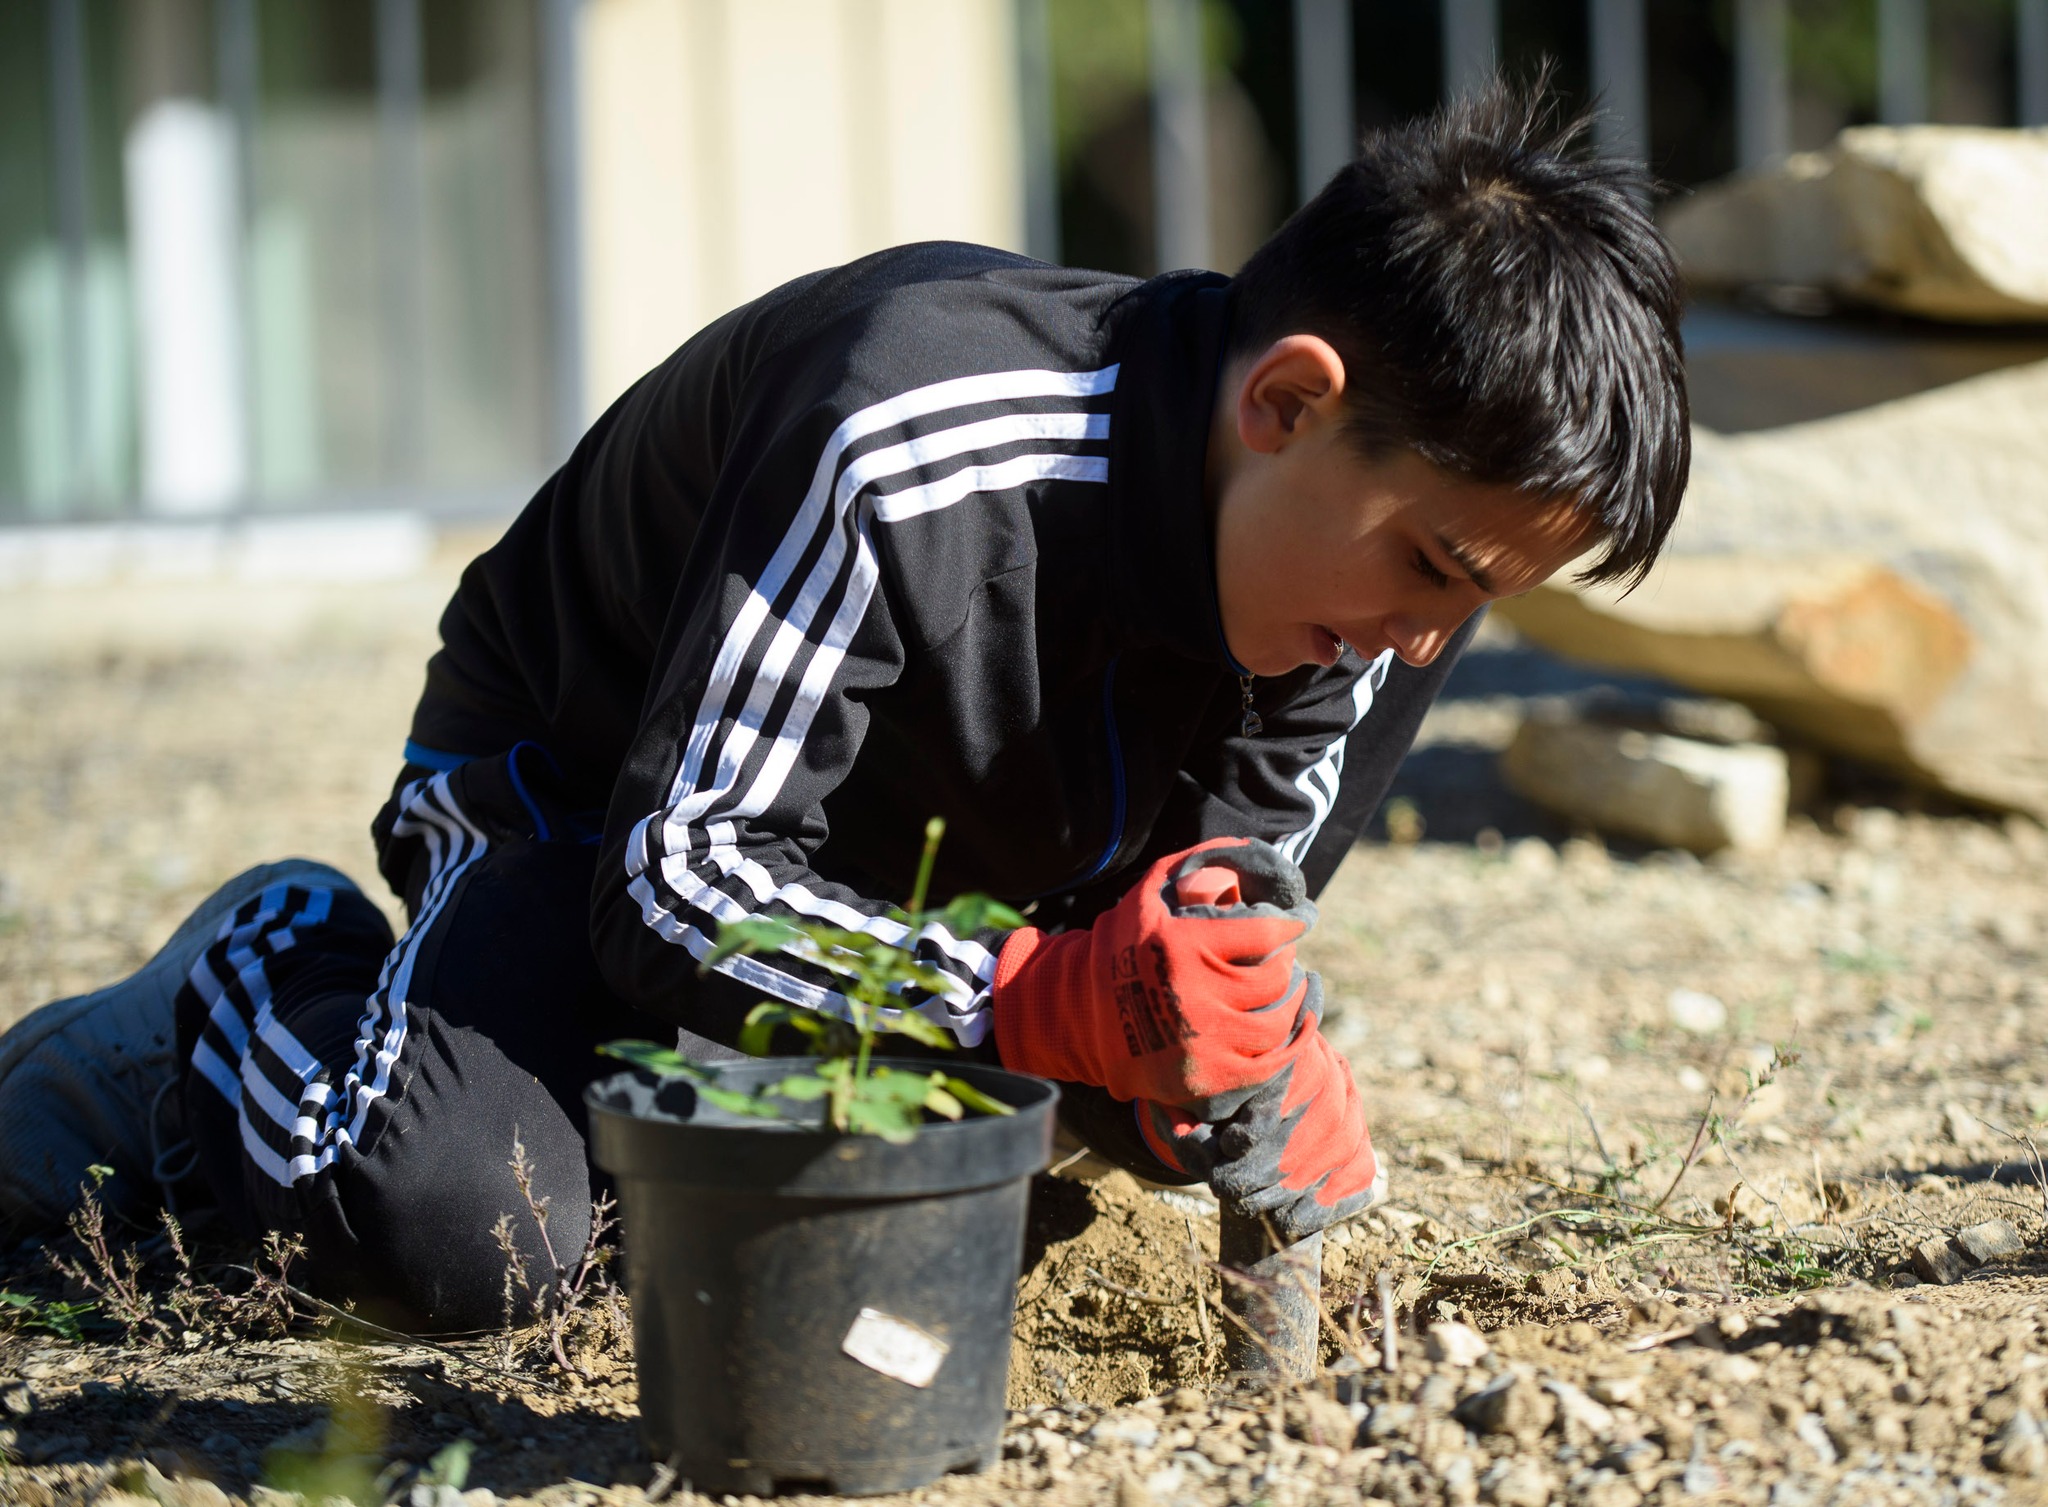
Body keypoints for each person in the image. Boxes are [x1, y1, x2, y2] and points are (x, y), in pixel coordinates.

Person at [0, 84, 1687, 1331]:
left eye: (1483, 598)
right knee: (461, 1228)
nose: (1428, 643)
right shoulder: (915, 428)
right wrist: (1020, 995)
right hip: (589, 815)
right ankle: (255, 978)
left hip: (914, 900)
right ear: (1289, 402)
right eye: (1436, 568)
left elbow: (1196, 921)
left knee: (980, 1185)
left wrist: (1226, 1052)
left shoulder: (1372, 593)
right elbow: (673, 878)